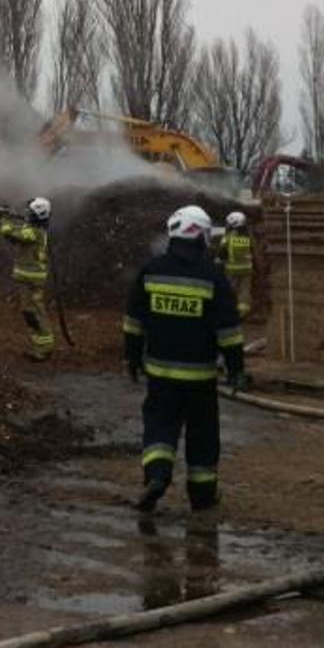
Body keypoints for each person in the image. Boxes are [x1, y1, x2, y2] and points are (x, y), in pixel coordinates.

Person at [122, 205, 247, 512]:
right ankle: (202, 496)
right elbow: (229, 331)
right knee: (202, 434)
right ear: (202, 236)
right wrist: (236, 369)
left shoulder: (152, 270)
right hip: (200, 377)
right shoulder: (213, 277)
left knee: (160, 425)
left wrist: (133, 357)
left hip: (160, 372)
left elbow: (132, 321)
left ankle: (157, 475)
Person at [0, 197, 55, 361]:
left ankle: (44, 349)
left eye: (30, 211)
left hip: (31, 281)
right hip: (29, 280)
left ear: (37, 214)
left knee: (33, 313)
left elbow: (10, 233)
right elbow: (22, 226)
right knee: (31, 312)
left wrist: (3, 219)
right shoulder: (35, 229)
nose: (27, 213)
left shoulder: (33, 232)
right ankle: (41, 347)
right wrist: (10, 215)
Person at [212, 210, 255, 318]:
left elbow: (222, 254)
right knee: (244, 291)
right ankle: (242, 312)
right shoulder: (248, 237)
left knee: (231, 290)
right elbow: (253, 249)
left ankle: (229, 311)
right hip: (247, 269)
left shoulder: (228, 237)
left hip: (232, 270)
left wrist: (217, 261)